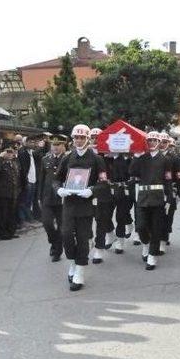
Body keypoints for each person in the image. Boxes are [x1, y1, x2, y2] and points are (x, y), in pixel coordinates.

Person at [55, 124, 107, 291]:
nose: (78, 140)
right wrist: (59, 189)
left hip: (85, 205)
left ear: (88, 139)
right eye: (76, 137)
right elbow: (56, 180)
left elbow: (103, 183)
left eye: (82, 138)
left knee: (83, 238)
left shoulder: (97, 159)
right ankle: (72, 262)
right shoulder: (67, 158)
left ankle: (80, 271)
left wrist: (92, 190)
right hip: (69, 204)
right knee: (66, 235)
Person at [129, 131, 174, 270]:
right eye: (150, 140)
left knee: (156, 228)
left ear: (159, 142)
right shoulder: (142, 157)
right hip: (143, 196)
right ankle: (146, 245)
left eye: (155, 140)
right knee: (141, 226)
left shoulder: (165, 160)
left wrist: (169, 198)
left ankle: (152, 256)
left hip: (158, 198)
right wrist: (136, 156)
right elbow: (132, 171)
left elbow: (167, 179)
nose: (152, 143)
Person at [89, 127, 115, 263]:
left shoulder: (108, 155)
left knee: (101, 218)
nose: (94, 139)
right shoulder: (84, 153)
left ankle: (99, 248)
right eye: (92, 137)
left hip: (104, 191)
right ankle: (110, 233)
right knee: (95, 218)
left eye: (97, 137)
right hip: (87, 192)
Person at [39, 136, 67, 262]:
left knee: (62, 227)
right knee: (47, 223)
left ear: (63, 146)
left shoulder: (67, 159)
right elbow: (41, 179)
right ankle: (54, 242)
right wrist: (39, 197)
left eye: (58, 145)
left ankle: (57, 251)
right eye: (53, 145)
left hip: (61, 198)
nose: (55, 147)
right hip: (47, 197)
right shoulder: (45, 159)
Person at [0, 143, 20, 240]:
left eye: (11, 152)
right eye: (8, 152)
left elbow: (16, 176)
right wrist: (0, 157)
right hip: (3, 193)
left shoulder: (13, 163)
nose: (10, 154)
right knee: (3, 214)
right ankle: (3, 232)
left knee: (11, 213)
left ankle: (11, 231)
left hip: (12, 192)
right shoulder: (1, 163)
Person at [17, 136, 38, 225]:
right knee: (24, 200)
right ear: (24, 142)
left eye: (33, 142)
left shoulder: (31, 152)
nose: (32, 144)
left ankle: (28, 217)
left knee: (30, 200)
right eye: (29, 142)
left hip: (33, 179)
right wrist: (25, 180)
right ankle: (23, 219)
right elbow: (23, 168)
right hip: (27, 180)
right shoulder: (22, 152)